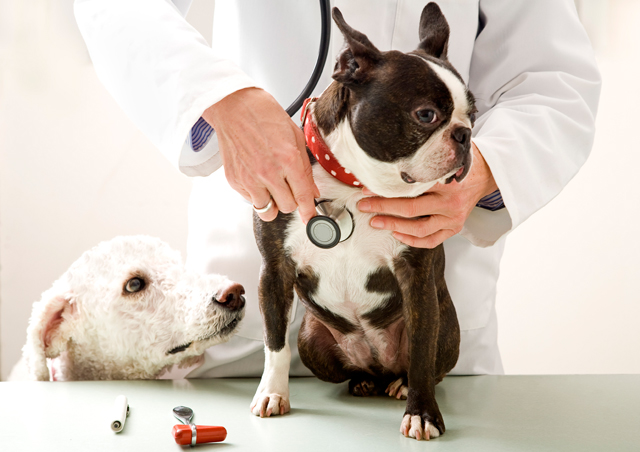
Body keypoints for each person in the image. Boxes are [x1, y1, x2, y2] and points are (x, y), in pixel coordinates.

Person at [73, 0, 601, 378]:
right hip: (246, 331)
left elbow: (553, 77)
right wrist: (219, 99)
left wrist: (483, 169)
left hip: (425, 333)